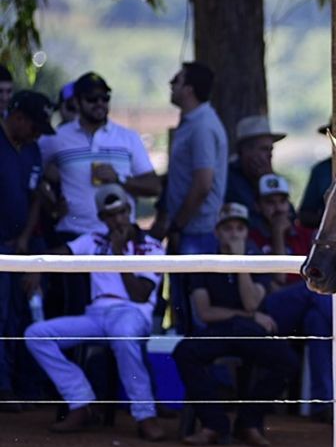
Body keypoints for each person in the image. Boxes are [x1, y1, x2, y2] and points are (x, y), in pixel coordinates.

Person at [25, 184, 166, 441]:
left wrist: (118, 254)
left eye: (122, 212)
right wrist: (37, 265)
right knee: (36, 334)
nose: (118, 219)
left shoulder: (152, 246)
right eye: (110, 215)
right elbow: (60, 254)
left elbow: (140, 295)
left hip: (132, 314)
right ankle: (81, 402)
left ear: (130, 210)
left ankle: (145, 415)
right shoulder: (93, 240)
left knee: (123, 335)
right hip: (96, 316)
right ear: (102, 218)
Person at [173, 203, 299, 447]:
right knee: (184, 353)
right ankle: (214, 425)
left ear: (246, 233)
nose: (234, 233)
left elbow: (252, 302)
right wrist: (247, 316)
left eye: (240, 228)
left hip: (249, 332)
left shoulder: (257, 261)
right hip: (220, 330)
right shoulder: (205, 262)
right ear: (217, 233)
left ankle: (249, 423)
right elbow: (206, 312)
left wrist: (240, 262)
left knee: (287, 362)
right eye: (228, 228)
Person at [37, 72, 162, 317]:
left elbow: (154, 186)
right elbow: (31, 170)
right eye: (93, 99)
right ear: (78, 102)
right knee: (70, 310)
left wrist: (120, 179)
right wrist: (50, 201)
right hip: (74, 235)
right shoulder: (58, 138)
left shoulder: (128, 138)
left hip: (118, 238)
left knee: (118, 310)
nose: (100, 105)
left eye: (105, 98)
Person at [152, 62, 228, 331]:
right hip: (189, 231)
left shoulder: (202, 126)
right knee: (182, 310)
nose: (171, 84)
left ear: (189, 90)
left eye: (177, 80)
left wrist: (178, 224)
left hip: (196, 232)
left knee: (195, 316)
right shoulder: (192, 123)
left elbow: (203, 183)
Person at [248, 174, 333, 413]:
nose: (277, 209)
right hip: (271, 312)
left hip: (307, 312)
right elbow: (276, 282)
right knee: (316, 294)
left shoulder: (305, 236)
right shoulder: (252, 238)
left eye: (281, 202)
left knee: (318, 322)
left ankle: (322, 404)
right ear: (258, 206)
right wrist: (277, 235)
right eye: (270, 202)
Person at [0, 91, 53, 411]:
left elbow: (35, 196)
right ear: (18, 118)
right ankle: (3, 386)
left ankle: (25, 384)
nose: (38, 134)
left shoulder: (32, 149)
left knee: (26, 314)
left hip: (22, 245)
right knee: (2, 314)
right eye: (35, 126)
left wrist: (26, 241)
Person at [224, 115, 286, 216]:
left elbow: (289, 213)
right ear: (245, 151)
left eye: (271, 149)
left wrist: (268, 178)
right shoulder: (229, 179)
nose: (270, 155)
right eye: (264, 149)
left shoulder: (270, 175)